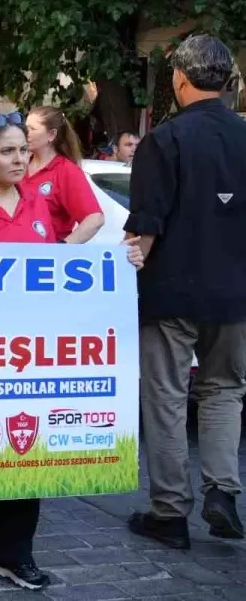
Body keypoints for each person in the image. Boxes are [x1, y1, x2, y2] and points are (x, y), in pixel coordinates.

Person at [0, 111, 143, 591]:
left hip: (28, 356)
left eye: (24, 149)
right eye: (7, 151)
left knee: (25, 453)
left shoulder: (37, 204)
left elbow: (58, 270)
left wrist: (122, 262)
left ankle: (12, 553)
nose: (20, 159)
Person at [126, 34, 246, 550]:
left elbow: (145, 229)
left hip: (171, 292)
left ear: (179, 78)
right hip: (236, 294)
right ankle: (223, 490)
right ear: (227, 81)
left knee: (167, 397)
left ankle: (169, 512)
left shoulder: (164, 140)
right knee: (224, 390)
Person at [22, 106, 104, 243]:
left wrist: (64, 247)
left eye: (32, 129)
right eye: (25, 128)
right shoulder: (20, 164)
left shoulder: (66, 171)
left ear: (51, 135)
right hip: (14, 254)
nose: (26, 133)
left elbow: (95, 218)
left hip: (46, 258)